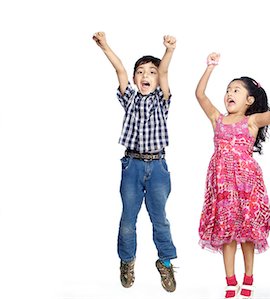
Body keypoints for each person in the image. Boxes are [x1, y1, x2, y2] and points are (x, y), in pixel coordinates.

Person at [196, 52, 270, 299]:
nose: (230, 94)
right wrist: (209, 68)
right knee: (227, 232)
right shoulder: (217, 119)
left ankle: (249, 276)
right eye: (228, 90)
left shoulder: (251, 121)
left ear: (249, 99)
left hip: (247, 183)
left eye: (236, 90)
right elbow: (200, 95)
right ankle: (230, 280)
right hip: (222, 183)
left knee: (247, 232)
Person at [92, 32, 177, 292]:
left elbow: (164, 75)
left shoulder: (162, 101)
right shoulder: (129, 98)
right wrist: (105, 45)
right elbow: (119, 68)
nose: (146, 76)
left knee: (159, 218)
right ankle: (127, 261)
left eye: (151, 72)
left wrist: (169, 52)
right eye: (140, 72)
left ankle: (165, 262)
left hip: (158, 167)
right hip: (132, 165)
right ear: (135, 78)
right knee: (128, 218)